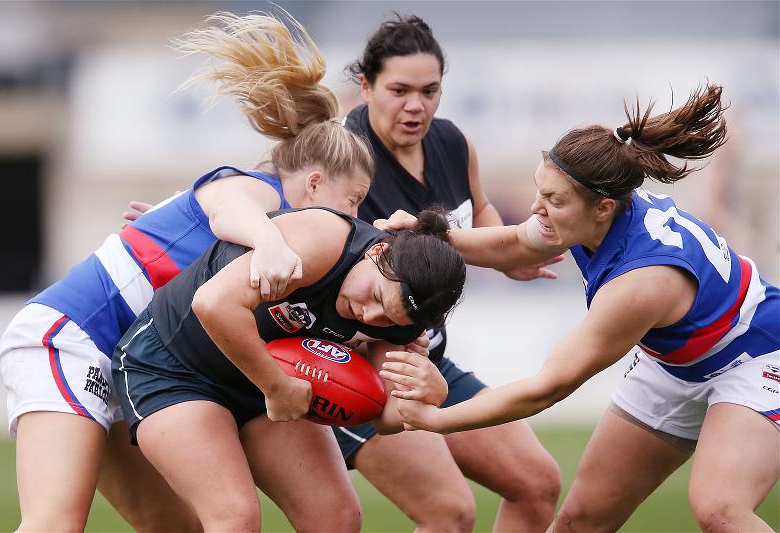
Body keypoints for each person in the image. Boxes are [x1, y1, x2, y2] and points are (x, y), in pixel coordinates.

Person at [0, 11, 377, 532]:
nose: (354, 217)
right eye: (353, 200)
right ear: (314, 183)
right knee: (54, 522)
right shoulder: (258, 193)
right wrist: (269, 241)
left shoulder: (291, 233)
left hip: (135, 364)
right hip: (73, 337)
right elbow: (229, 212)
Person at [388, 83, 780, 532]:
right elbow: (515, 242)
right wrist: (427, 235)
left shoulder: (640, 283)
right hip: (675, 365)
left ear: (603, 207)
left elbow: (547, 388)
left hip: (756, 356)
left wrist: (437, 419)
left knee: (719, 509)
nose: (536, 208)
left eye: (553, 201)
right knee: (579, 522)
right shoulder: (591, 214)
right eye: (541, 191)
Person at [336, 15, 562, 531]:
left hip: (425, 355)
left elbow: (478, 212)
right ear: (366, 86)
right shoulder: (343, 156)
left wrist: (507, 258)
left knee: (537, 484)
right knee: (449, 511)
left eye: (429, 91)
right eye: (399, 91)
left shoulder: (453, 143)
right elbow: (299, 235)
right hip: (356, 366)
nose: (416, 106)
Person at [111, 205, 466, 532]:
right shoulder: (324, 241)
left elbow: (382, 419)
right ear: (378, 252)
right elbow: (212, 304)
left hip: (263, 381)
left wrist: (425, 396)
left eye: (388, 319)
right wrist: (277, 388)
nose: (370, 316)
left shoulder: (403, 318)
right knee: (235, 520)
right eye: (375, 297)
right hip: (174, 366)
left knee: (336, 518)